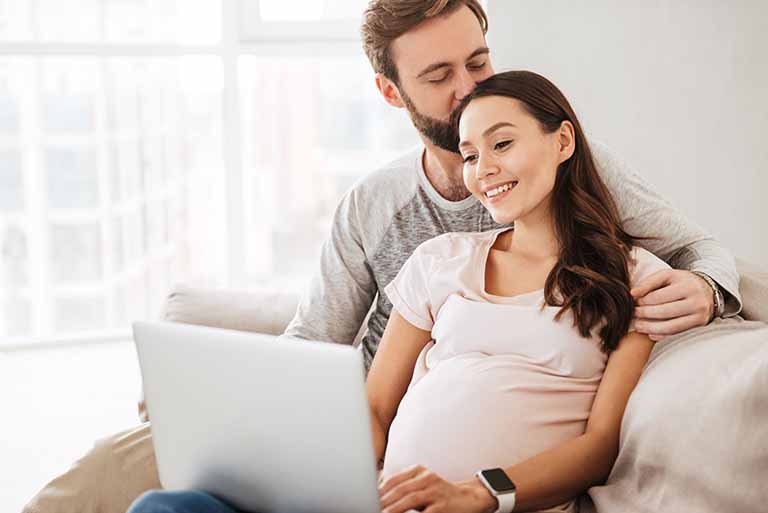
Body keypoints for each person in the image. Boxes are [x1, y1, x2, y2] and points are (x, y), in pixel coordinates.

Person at [22, 2, 741, 513]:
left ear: (559, 141)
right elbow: (316, 345)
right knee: (131, 480)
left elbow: (695, 250)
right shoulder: (393, 217)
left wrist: (710, 289)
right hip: (354, 435)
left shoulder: (580, 177)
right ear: (390, 91)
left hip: (442, 471)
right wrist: (227, 408)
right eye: (439, 76)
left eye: (479, 61)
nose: (469, 89)